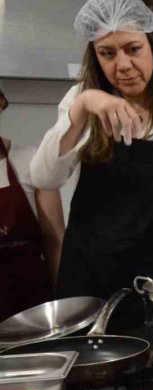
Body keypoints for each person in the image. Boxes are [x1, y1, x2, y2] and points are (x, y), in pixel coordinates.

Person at [31, 0, 153, 313]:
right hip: (86, 276)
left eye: (133, 48)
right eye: (107, 53)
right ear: (95, 57)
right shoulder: (81, 102)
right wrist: (83, 106)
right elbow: (44, 177)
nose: (122, 65)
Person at [0, 87, 65, 321]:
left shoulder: (31, 161)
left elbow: (55, 241)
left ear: (1, 104)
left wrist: (62, 302)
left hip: (31, 303)